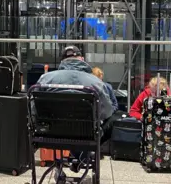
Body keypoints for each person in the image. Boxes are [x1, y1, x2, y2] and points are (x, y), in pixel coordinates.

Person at [36, 46, 116, 177]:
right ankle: (83, 157)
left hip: (53, 133)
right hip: (86, 134)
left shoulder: (45, 79)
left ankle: (75, 158)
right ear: (82, 59)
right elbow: (106, 112)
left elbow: (35, 110)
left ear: (62, 61)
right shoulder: (96, 82)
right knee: (110, 119)